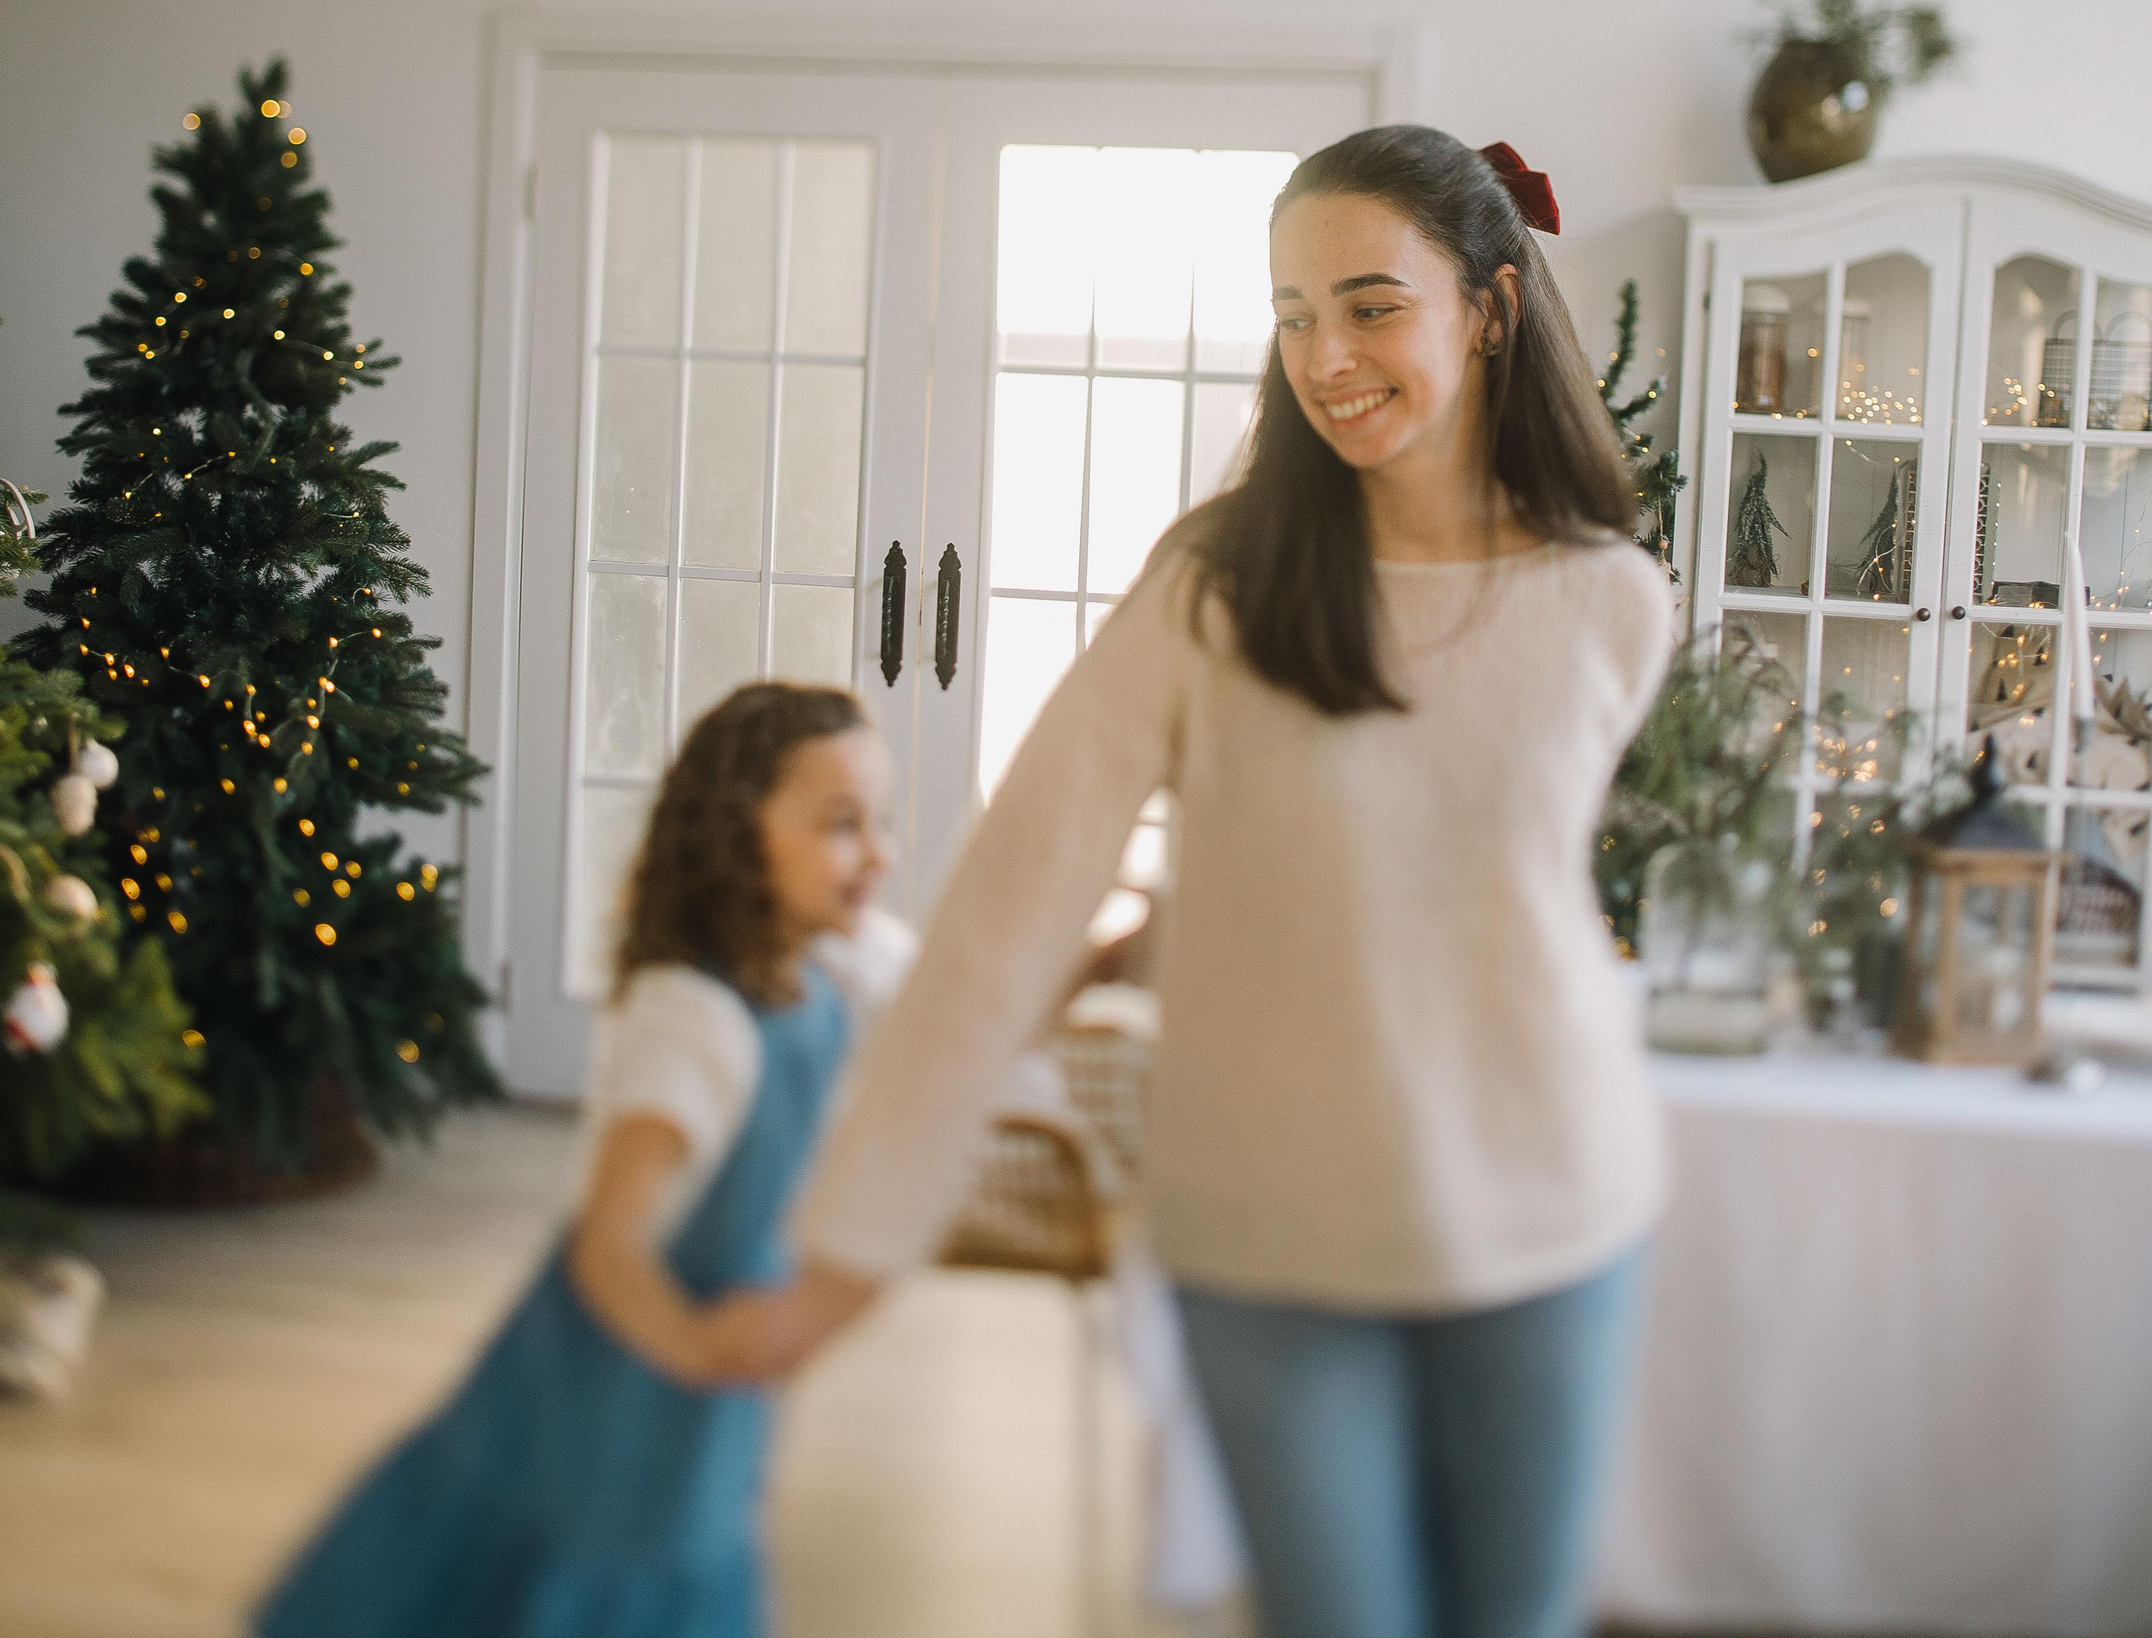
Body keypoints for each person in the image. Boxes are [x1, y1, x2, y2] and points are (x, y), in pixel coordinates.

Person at [756, 126, 1677, 1638]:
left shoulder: (1609, 603)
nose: (1328, 353)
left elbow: (1456, 890)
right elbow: (1006, 911)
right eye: (1295, 311)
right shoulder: (1216, 588)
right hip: (1267, 1232)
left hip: (1551, 1216)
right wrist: (852, 1240)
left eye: (1372, 303)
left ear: (1492, 307)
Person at [255, 682, 910, 1638]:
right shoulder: (694, 1022)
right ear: (738, 835)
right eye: (841, 824)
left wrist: (1100, 963)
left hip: (721, 1364)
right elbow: (610, 1245)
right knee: (585, 1565)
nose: (879, 854)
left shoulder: (840, 970)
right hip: (614, 1368)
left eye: (882, 821)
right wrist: (694, 1349)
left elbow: (959, 1001)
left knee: (689, 1547)